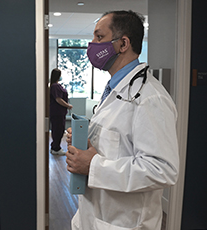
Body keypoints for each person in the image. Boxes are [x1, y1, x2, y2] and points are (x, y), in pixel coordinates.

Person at [65, 10, 179, 229]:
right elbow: (117, 145)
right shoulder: (115, 88)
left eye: (99, 37)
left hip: (123, 222)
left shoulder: (149, 97)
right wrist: (86, 144)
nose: (92, 44)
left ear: (123, 43)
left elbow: (162, 170)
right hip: (93, 216)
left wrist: (93, 165)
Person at [49, 68, 73, 155]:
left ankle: (54, 146)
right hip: (57, 113)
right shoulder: (55, 86)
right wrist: (68, 105)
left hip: (58, 112)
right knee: (58, 130)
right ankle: (56, 148)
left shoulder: (55, 86)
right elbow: (58, 99)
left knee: (57, 130)